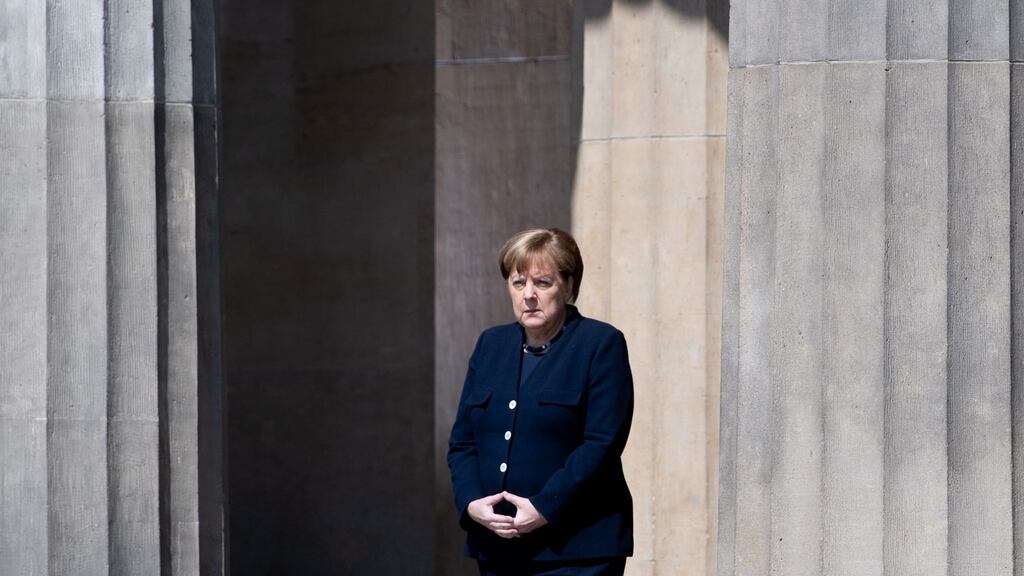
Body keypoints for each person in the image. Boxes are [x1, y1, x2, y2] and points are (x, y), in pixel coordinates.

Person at [448, 228, 634, 576]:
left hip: (577, 550)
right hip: (497, 546)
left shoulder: (601, 343)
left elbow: (602, 443)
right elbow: (463, 443)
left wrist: (545, 507)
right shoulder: (491, 344)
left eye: (543, 283)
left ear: (568, 285)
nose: (529, 295)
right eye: (519, 284)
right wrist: (472, 503)